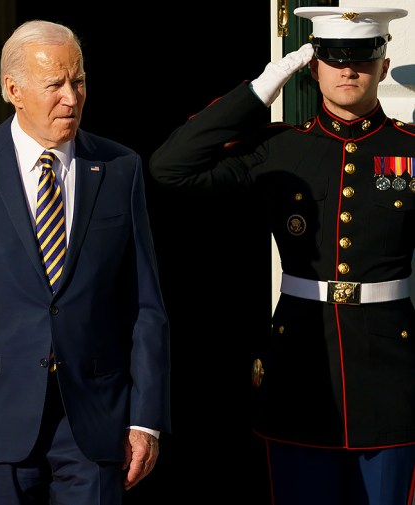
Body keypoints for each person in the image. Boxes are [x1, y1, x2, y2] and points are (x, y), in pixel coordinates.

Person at [149, 6, 415, 504]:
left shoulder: (409, 149)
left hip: (391, 380)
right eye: (334, 58)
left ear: (383, 63)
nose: (348, 69)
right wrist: (259, 90)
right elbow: (171, 167)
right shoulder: (280, 148)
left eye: (361, 57)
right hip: (301, 377)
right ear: (313, 68)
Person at [0, 19, 171, 504]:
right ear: (14, 90)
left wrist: (145, 418)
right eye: (55, 85)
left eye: (79, 81)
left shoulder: (120, 168)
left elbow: (145, 306)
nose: (71, 98)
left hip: (94, 423)